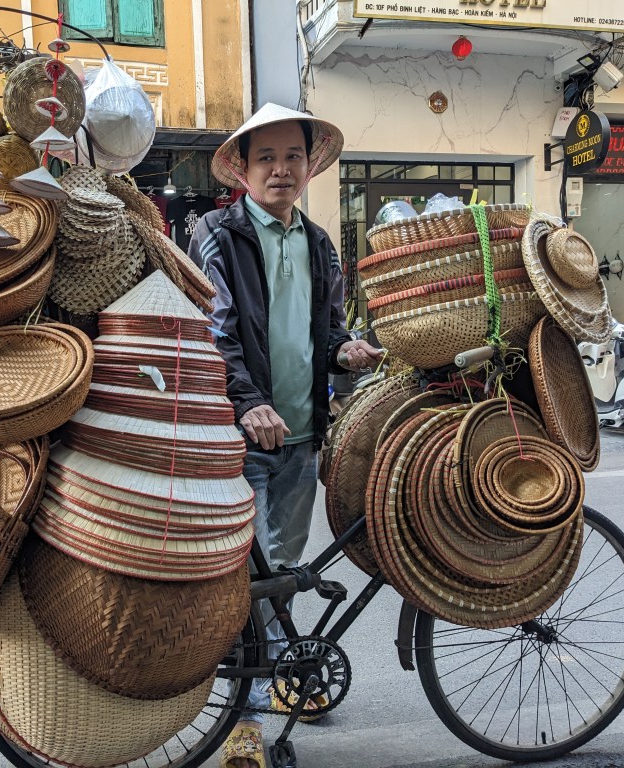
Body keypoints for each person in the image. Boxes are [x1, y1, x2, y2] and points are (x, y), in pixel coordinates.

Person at [188, 103, 382, 768]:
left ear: (308, 165)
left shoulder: (319, 243)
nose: (280, 170)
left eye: (291, 157)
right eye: (265, 158)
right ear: (242, 169)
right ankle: (243, 718)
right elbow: (214, 333)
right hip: (240, 437)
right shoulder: (217, 235)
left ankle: (279, 677)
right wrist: (248, 404)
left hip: (301, 435)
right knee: (247, 578)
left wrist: (347, 352)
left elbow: (328, 332)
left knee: (283, 570)